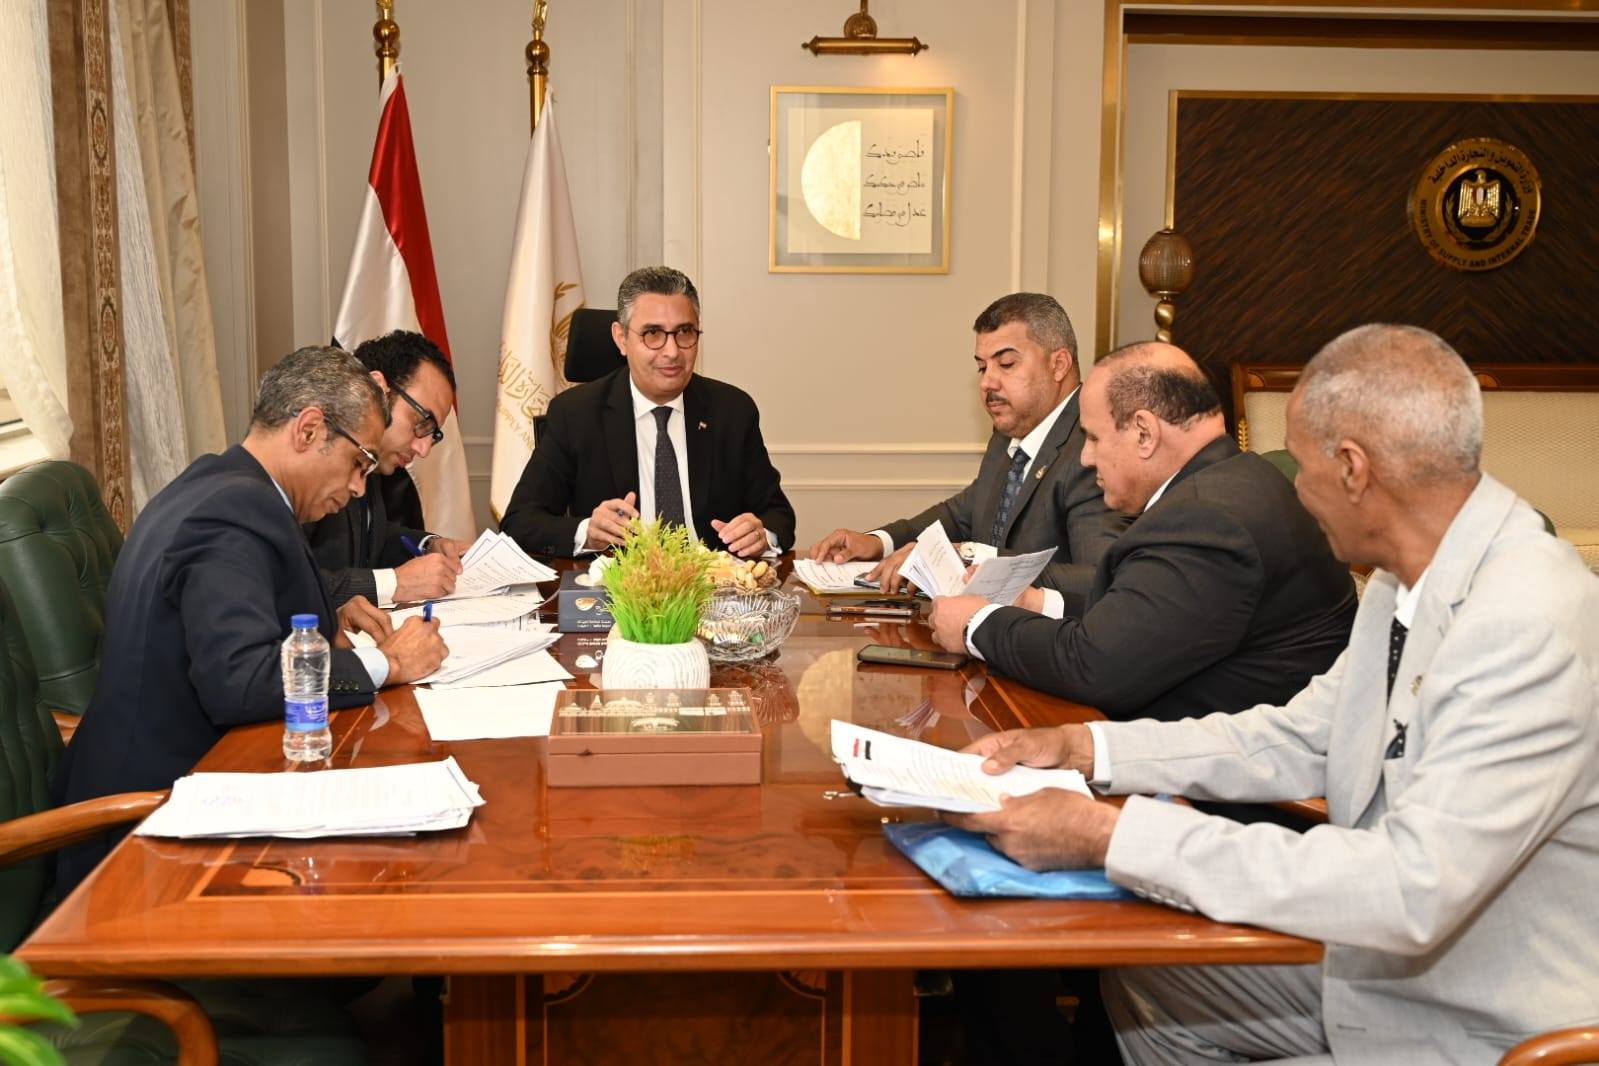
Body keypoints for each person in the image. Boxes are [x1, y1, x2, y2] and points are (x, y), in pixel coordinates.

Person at [948, 325, 1599, 1065]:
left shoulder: (1527, 621)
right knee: (1148, 977)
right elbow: (1299, 734)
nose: (1294, 492)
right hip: (1390, 971)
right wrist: (1086, 748)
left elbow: (1407, 889)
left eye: (1303, 468)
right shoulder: (1405, 577)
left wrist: (1110, 836)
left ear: (1352, 470)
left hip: (1483, 1020)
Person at [54, 346, 448, 893]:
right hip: (150, 840)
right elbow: (239, 681)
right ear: (309, 430)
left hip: (208, 788)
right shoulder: (232, 514)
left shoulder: (227, 485)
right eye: (359, 462)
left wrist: (326, 614)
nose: (361, 486)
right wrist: (389, 663)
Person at [929, 342, 1356, 721]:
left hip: (1212, 771)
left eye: (1094, 438)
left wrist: (974, 625)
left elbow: (1096, 667)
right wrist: (1039, 601)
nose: (1085, 458)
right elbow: (1150, 610)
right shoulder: (1239, 478)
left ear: (1145, 433)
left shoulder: (1206, 519)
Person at [809, 293, 1128, 614]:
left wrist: (973, 557)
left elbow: (1101, 578)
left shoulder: (1093, 447)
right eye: (982, 367)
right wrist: (880, 542)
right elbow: (963, 513)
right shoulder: (1009, 433)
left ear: (1058, 365)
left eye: (1006, 364)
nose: (987, 382)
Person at [500, 266, 796, 558]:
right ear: (621, 338)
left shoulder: (732, 410)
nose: (672, 351)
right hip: (620, 583)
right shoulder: (575, 414)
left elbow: (778, 515)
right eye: (653, 333)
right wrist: (587, 531)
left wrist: (761, 535)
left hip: (712, 581)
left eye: (684, 332)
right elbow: (520, 522)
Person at [306, 330, 473, 606]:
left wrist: (429, 545)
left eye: (433, 434)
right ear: (377, 392)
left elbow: (375, 537)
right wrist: (396, 583)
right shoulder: (312, 460)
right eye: (422, 423)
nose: (424, 449)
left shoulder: (374, 463)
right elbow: (290, 585)